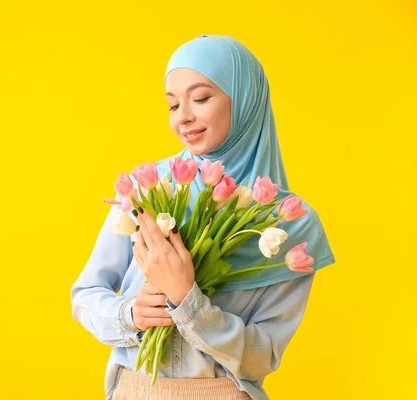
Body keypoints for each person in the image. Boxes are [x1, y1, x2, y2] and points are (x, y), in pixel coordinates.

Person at [70, 35, 336, 400]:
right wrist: (130, 314)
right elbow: (85, 295)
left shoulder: (288, 222)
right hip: (134, 389)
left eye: (200, 98)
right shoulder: (148, 187)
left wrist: (186, 300)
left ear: (244, 100)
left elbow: (262, 357)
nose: (184, 116)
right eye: (172, 105)